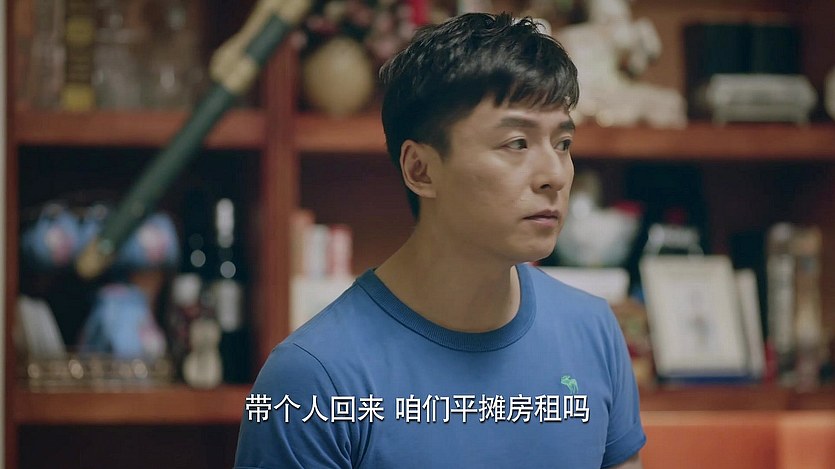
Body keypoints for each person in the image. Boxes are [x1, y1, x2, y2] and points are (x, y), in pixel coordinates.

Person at [234, 12, 645, 468]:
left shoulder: (592, 330)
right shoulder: (312, 378)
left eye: (562, 143)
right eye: (517, 143)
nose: (555, 175)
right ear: (421, 170)